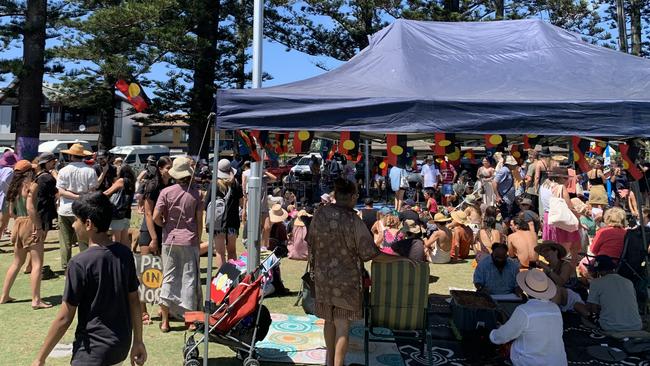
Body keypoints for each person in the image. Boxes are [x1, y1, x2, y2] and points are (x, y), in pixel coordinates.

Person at [31, 192, 146, 366]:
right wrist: (138, 340)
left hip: (91, 351)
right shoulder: (124, 254)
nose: (74, 225)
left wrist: (40, 358)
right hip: (119, 347)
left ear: (88, 224)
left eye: (76, 220)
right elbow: (134, 301)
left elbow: (65, 317)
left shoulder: (79, 263)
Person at [307, 178, 410, 366]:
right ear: (354, 197)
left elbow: (310, 241)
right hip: (346, 282)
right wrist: (400, 258)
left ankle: (330, 363)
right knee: (342, 326)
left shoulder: (319, 214)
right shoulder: (353, 221)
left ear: (335, 195)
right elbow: (370, 253)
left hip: (323, 278)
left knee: (329, 322)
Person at [154, 157, 203, 333]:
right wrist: (198, 237)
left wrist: (165, 225)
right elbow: (199, 221)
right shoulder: (196, 193)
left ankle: (165, 321)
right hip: (189, 240)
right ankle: (189, 322)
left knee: (169, 278)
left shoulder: (166, 192)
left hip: (170, 239)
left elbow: (155, 217)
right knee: (189, 279)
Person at [0, 161, 51, 308]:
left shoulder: (12, 188)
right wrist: (38, 227)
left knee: (16, 262)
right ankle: (36, 300)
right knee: (37, 263)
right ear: (29, 172)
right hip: (30, 223)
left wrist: (19, 223)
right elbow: (30, 208)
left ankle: (4, 295)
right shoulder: (32, 186)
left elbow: (11, 213)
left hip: (17, 224)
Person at [489, 269, 567, 366]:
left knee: (506, 346)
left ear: (526, 290)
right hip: (558, 362)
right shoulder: (555, 308)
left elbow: (502, 336)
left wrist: (492, 334)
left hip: (530, 362)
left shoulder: (524, 311)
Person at [57, 143, 100, 270]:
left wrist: (75, 196)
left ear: (70, 156)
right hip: (83, 209)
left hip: (65, 209)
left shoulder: (63, 170)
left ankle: (66, 267)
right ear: (83, 157)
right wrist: (81, 197)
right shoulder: (90, 171)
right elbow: (93, 190)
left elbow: (61, 191)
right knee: (84, 240)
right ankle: (85, 266)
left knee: (65, 242)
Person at [584, 255, 642, 332]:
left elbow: (592, 309)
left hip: (611, 327)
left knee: (584, 317)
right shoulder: (628, 282)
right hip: (636, 325)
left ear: (598, 270)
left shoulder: (596, 283)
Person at [203, 159, 243, 269]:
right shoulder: (236, 184)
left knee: (220, 253)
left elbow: (206, 205)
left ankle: (222, 278)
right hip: (233, 222)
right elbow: (241, 203)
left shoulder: (214, 185)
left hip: (217, 223)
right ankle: (233, 279)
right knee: (232, 251)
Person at [540, 166, 581, 266]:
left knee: (552, 246)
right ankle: (568, 271)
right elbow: (570, 207)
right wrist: (578, 219)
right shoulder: (560, 187)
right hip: (561, 218)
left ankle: (553, 268)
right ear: (561, 178)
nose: (568, 181)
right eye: (567, 178)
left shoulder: (544, 186)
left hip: (548, 217)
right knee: (571, 246)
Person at [535, 241, 585, 312]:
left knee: (557, 289)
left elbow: (561, 282)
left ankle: (553, 315)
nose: (544, 254)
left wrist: (548, 270)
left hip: (572, 297)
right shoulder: (547, 267)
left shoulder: (565, 265)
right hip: (555, 296)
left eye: (546, 250)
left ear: (556, 251)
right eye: (542, 252)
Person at [104, 165, 136, 246]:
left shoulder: (121, 180)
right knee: (124, 239)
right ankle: (126, 257)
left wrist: (94, 196)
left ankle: (116, 257)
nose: (116, 171)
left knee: (116, 239)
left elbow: (107, 192)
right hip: (126, 213)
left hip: (117, 213)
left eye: (118, 169)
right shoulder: (132, 182)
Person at [268, 204, 290, 295]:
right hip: (276, 250)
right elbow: (284, 241)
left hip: (268, 249)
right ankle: (278, 286)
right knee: (276, 268)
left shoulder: (267, 224)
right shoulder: (281, 227)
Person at [493, 155, 518, 222]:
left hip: (509, 199)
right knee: (506, 219)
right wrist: (498, 196)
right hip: (505, 199)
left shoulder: (508, 171)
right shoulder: (504, 171)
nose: (515, 166)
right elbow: (494, 182)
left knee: (510, 217)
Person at [0, 151, 17, 241]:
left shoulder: (1, 168)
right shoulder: (10, 170)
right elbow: (4, 182)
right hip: (5, 198)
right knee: (3, 222)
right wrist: (9, 192)